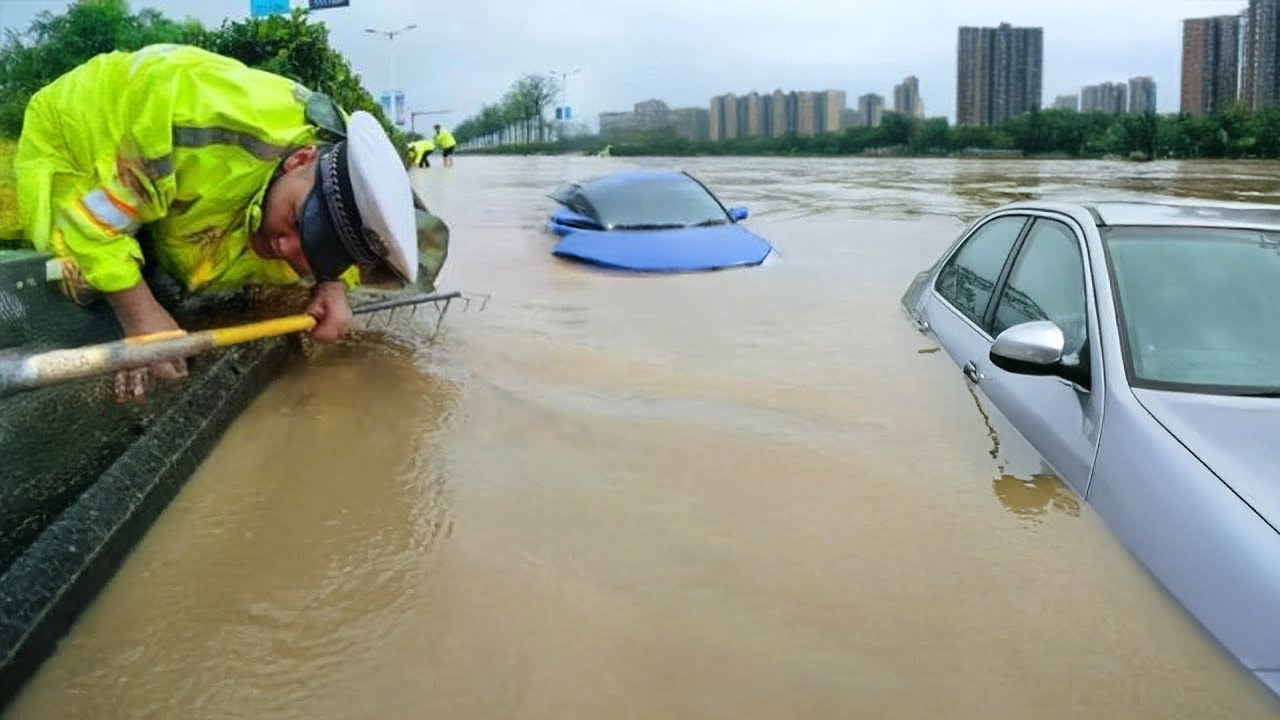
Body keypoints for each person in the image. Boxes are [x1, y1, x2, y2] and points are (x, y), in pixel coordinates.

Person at [15, 44, 427, 400]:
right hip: (86, 132)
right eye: (299, 222)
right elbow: (93, 227)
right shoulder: (192, 123)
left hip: (199, 183)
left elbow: (344, 245)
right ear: (301, 158)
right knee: (79, 274)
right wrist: (141, 318)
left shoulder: (342, 173)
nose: (287, 248)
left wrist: (332, 284)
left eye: (318, 250)